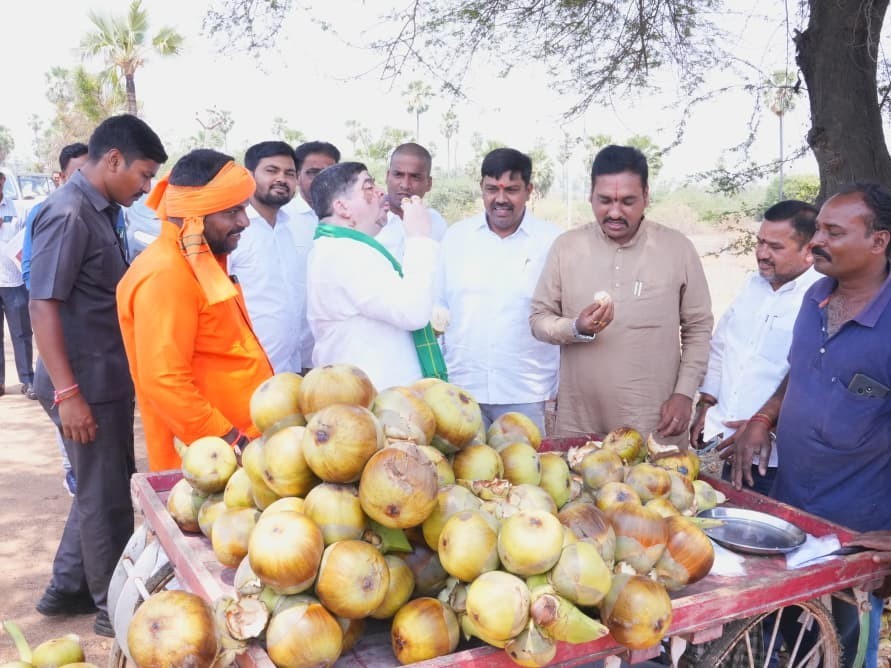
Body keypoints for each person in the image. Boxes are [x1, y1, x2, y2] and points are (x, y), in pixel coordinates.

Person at [729, 182, 891, 666]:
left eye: (833, 232)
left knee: (843, 650)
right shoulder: (816, 297)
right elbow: (803, 370)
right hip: (792, 517)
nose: (816, 240)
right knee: (790, 642)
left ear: (879, 242)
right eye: (817, 227)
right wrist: (764, 415)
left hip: (857, 537)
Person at [29, 114, 167, 637]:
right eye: (143, 175)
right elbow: (42, 305)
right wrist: (68, 394)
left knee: (98, 483)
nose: (147, 187)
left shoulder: (101, 209)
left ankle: (65, 589)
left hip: (102, 377)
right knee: (105, 497)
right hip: (82, 382)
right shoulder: (68, 213)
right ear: (113, 160)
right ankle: (114, 610)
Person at [530, 145, 713, 445]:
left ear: (646, 196)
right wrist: (576, 328)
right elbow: (538, 319)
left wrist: (684, 394)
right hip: (580, 422)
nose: (615, 212)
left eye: (628, 201)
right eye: (604, 200)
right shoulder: (567, 247)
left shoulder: (677, 249)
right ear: (590, 195)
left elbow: (698, 327)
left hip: (654, 421)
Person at [117, 149, 274, 472]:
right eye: (232, 212)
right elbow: (165, 381)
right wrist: (230, 441)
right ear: (194, 217)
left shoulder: (199, 259)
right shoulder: (166, 273)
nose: (244, 221)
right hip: (211, 464)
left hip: (240, 450)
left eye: (243, 209)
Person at [689, 200, 820, 495]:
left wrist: (765, 423)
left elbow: (812, 376)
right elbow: (722, 346)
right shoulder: (752, 286)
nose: (762, 254)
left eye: (775, 247)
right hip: (729, 447)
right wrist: (705, 405)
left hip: (777, 460)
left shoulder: (819, 297)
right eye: (760, 242)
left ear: (809, 251)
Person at [437, 148, 561, 432]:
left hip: (527, 394)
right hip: (463, 393)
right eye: (492, 189)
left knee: (527, 474)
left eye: (512, 189)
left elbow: (562, 316)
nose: (500, 199)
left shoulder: (552, 242)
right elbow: (439, 307)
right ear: (481, 187)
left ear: (529, 190)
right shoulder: (456, 237)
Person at [306, 162, 445, 389]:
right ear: (342, 207)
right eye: (368, 187)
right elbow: (414, 312)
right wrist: (419, 238)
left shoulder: (340, 248)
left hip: (375, 400)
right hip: (375, 404)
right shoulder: (345, 253)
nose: (381, 191)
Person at [22, 143, 90, 495]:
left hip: (89, 346)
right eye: (78, 173)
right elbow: (35, 275)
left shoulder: (107, 210)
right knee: (73, 431)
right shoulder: (51, 212)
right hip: (61, 333)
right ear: (62, 176)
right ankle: (72, 474)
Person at [228, 141, 304, 373]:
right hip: (246, 370)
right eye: (271, 170)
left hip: (287, 370)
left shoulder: (288, 228)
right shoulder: (232, 231)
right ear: (249, 176)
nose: (282, 178)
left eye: (289, 173)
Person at [284, 140, 341, 373]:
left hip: (336, 354)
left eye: (329, 173)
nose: (321, 180)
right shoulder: (283, 219)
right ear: (297, 176)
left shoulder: (350, 220)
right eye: (312, 173)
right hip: (292, 355)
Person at [23, 143, 90, 290]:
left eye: (88, 175)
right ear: (62, 177)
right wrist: (41, 302)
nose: (84, 182)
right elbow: (28, 265)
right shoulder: (40, 211)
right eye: (78, 176)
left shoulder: (111, 212)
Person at [377, 142, 449, 260]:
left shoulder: (436, 222)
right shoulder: (368, 222)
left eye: (415, 177)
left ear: (429, 184)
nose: (405, 185)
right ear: (387, 176)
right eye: (398, 175)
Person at [0, 173, 35, 399]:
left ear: (2, 182)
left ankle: (28, 380)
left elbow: (28, 242)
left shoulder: (19, 210)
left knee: (22, 332)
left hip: (14, 282)